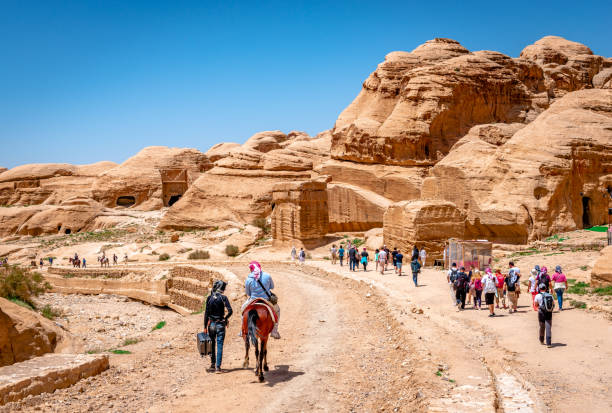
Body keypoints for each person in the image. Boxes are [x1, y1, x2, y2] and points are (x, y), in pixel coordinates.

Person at [243, 262, 280, 339]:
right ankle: (274, 331)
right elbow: (272, 287)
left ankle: (243, 329)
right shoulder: (267, 275)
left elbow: (248, 293)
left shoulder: (248, 279)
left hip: (253, 299)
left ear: (251, 269)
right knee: (277, 310)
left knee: (243, 310)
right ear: (259, 267)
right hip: (266, 299)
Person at [204, 280, 233, 372]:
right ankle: (218, 367)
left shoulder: (209, 298)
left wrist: (205, 327)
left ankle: (212, 364)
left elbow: (206, 314)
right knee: (219, 345)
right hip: (220, 324)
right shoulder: (223, 298)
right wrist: (225, 318)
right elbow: (230, 311)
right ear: (222, 288)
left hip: (211, 324)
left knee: (212, 344)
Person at [534, 283, 555, 347]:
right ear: (546, 288)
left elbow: (536, 305)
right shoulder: (550, 295)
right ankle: (549, 343)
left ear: (539, 289)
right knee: (548, 327)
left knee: (542, 327)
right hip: (549, 312)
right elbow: (553, 304)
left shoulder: (537, 296)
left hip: (541, 312)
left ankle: (542, 340)